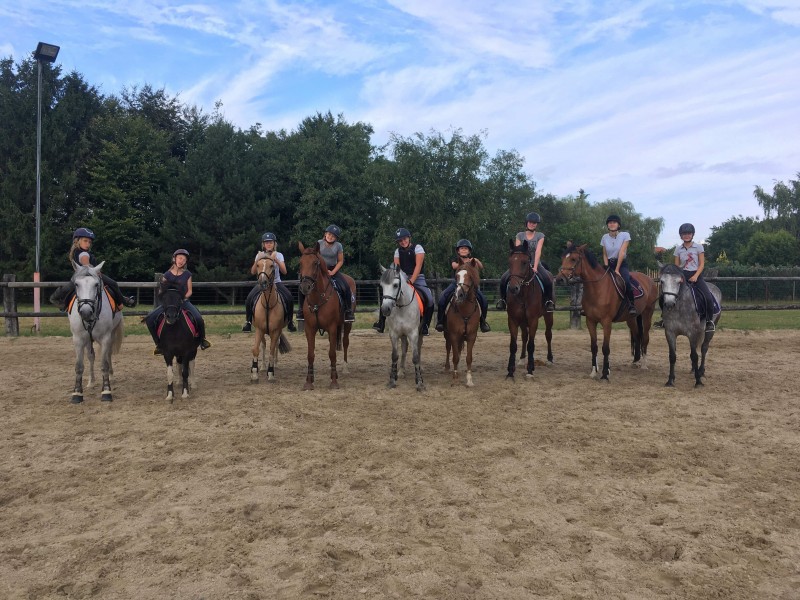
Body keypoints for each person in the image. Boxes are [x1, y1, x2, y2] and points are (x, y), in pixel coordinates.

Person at [49, 227, 136, 311]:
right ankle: (123, 301)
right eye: (85, 241)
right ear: (77, 241)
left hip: (78, 276)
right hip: (91, 275)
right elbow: (86, 263)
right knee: (113, 284)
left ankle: (59, 300)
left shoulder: (76, 251)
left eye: (90, 242)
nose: (88, 244)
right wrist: (92, 270)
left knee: (69, 288)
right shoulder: (84, 254)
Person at [145, 249, 211, 355]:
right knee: (149, 319)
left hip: (183, 302)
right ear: (174, 258)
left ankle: (202, 340)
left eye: (184, 260)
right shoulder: (166, 275)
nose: (181, 261)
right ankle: (159, 344)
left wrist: (183, 298)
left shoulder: (187, 274)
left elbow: (189, 291)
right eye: (180, 258)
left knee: (198, 318)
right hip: (169, 304)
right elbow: (162, 291)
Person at [372, 227, 435, 335]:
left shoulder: (418, 248)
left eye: (404, 239)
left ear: (409, 238)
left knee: (429, 300)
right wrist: (402, 280)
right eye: (400, 241)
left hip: (418, 277)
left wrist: (412, 281)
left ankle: (425, 325)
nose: (403, 242)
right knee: (388, 296)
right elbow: (397, 268)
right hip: (403, 277)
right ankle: (381, 323)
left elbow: (418, 266)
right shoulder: (397, 252)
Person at [496, 211, 556, 312]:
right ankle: (503, 300)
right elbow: (517, 250)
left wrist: (535, 267)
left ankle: (549, 301)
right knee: (504, 278)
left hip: (535, 263)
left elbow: (538, 252)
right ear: (526, 223)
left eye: (534, 223)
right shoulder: (520, 235)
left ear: (536, 224)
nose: (532, 224)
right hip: (520, 264)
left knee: (547, 279)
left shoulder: (540, 236)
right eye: (530, 222)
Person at [296, 224, 355, 323]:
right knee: (302, 286)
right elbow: (315, 258)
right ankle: (301, 311)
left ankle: (348, 312)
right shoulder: (319, 243)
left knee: (345, 287)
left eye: (333, 236)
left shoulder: (338, 246)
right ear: (325, 234)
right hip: (319, 270)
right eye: (329, 234)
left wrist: (333, 271)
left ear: (336, 238)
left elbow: (340, 261)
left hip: (333, 269)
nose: (330, 237)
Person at [242, 232, 296, 333]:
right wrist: (257, 259)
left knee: (289, 297)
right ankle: (248, 322)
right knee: (249, 298)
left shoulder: (279, 255)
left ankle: (290, 322)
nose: (269, 244)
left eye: (270, 242)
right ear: (263, 244)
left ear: (274, 243)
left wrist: (276, 260)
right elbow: (253, 271)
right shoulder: (260, 255)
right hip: (262, 283)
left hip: (276, 282)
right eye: (266, 243)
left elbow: (284, 271)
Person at [434, 239, 491, 333]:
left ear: (469, 251)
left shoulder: (472, 260)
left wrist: (476, 260)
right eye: (461, 248)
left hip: (470, 285)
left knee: (484, 301)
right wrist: (466, 262)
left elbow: (481, 267)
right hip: (456, 283)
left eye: (466, 249)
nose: (464, 250)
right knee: (443, 298)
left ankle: (483, 322)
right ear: (458, 251)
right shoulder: (456, 260)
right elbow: (454, 266)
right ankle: (440, 321)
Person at [673, 223, 716, 332]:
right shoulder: (678, 249)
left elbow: (701, 264)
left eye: (688, 233)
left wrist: (696, 276)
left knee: (707, 297)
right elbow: (677, 266)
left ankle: (709, 321)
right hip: (682, 276)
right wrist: (679, 277)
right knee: (667, 295)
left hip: (696, 275)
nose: (686, 235)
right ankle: (665, 319)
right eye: (684, 234)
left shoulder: (698, 247)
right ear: (681, 235)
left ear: (692, 235)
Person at [601, 214, 638, 315]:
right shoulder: (604, 237)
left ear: (618, 225)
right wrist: (606, 266)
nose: (612, 224)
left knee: (625, 281)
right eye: (610, 222)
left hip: (621, 264)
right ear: (607, 225)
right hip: (609, 263)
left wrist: (617, 269)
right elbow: (604, 254)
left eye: (614, 222)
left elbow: (621, 252)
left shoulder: (625, 235)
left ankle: (631, 304)